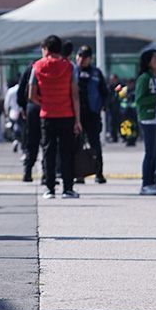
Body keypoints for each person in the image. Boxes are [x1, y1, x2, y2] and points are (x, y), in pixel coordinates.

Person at [29, 35, 82, 200]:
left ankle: (50, 189)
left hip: (47, 115)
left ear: (46, 49)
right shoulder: (70, 67)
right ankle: (68, 188)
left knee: (48, 152)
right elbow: (75, 95)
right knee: (67, 153)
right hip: (67, 115)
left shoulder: (37, 66)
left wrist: (44, 102)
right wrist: (78, 120)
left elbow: (31, 94)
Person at [134, 49, 156, 195]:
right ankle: (146, 183)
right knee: (150, 153)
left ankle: (154, 182)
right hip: (149, 119)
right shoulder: (144, 78)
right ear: (148, 62)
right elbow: (140, 100)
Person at [76, 46, 108, 184]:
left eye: (85, 57)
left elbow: (104, 92)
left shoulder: (96, 73)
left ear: (90, 58)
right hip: (76, 114)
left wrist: (102, 106)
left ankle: (98, 172)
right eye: (80, 56)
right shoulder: (72, 71)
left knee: (95, 144)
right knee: (76, 145)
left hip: (92, 114)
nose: (82, 59)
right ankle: (79, 174)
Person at [16, 50, 43, 182]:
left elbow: (21, 90)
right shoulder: (51, 67)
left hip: (32, 108)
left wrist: (23, 107)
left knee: (31, 142)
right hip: (48, 108)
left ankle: (27, 171)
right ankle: (47, 174)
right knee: (48, 143)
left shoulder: (30, 68)